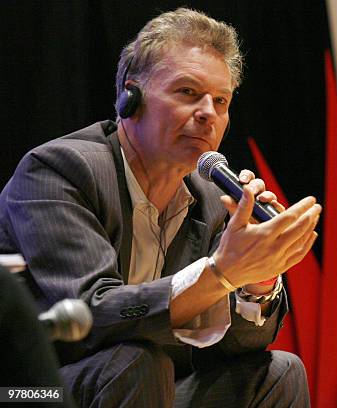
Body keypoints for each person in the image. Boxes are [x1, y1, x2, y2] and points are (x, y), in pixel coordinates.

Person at [0, 7, 319, 407]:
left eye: (220, 100)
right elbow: (92, 316)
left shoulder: (212, 197)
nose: (208, 113)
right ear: (129, 98)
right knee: (136, 361)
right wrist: (221, 273)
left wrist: (256, 279)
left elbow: (240, 346)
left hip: (147, 385)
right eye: (187, 92)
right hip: (33, 391)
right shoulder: (59, 170)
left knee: (279, 373)